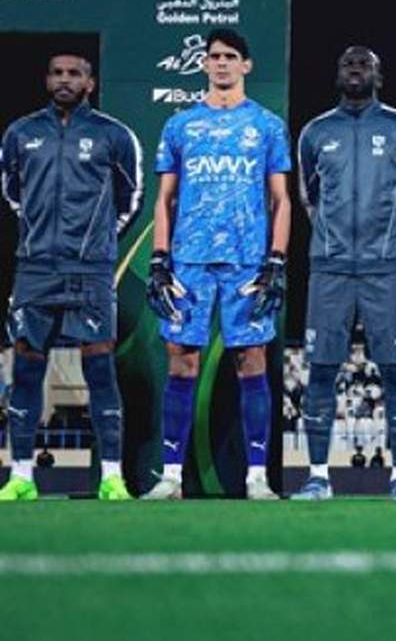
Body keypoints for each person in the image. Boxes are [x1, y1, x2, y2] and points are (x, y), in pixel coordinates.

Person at [143, 29, 292, 501]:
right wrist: (160, 259)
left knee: (252, 361)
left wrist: (276, 259)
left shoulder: (267, 125)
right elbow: (163, 200)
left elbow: (282, 199)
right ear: (203, 64)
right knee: (181, 362)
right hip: (189, 260)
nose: (221, 63)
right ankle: (169, 478)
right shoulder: (180, 125)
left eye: (230, 57)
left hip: (247, 263)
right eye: (214, 57)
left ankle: (256, 478)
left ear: (246, 66)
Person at [0, 53, 143, 502]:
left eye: (74, 73)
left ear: (90, 82)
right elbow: (11, 190)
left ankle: (112, 477)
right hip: (35, 269)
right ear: (47, 79)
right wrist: (40, 233)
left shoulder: (113, 135)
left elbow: (131, 197)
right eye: (57, 73)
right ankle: (20, 476)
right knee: (25, 370)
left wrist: (97, 241)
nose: (64, 80)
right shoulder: (20, 134)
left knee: (100, 370)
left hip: (91, 271)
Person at [291, 46, 396, 501]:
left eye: (364, 63)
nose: (354, 68)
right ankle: (317, 476)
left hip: (385, 270)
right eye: (347, 63)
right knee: (321, 372)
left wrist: (395, 246)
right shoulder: (316, 133)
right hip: (331, 269)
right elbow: (310, 197)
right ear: (337, 75)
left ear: (379, 74)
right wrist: (335, 243)